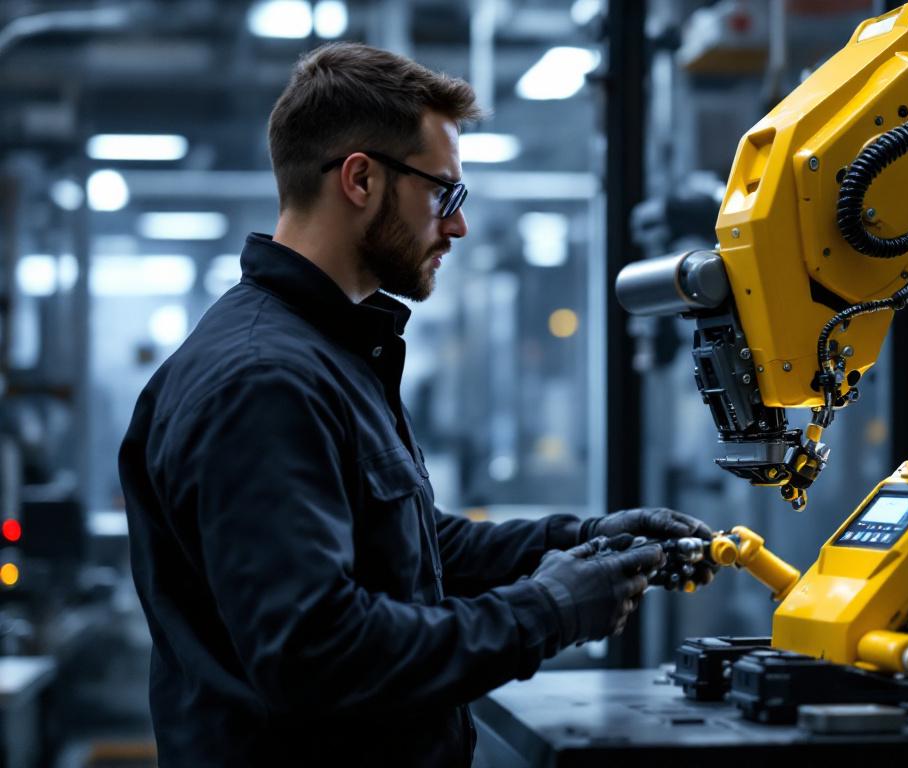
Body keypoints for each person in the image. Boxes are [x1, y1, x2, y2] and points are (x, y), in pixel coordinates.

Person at [118, 42, 713, 767]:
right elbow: (316, 652)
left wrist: (581, 539)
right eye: (445, 194)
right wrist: (546, 612)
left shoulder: (324, 353)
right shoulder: (264, 380)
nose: (457, 226)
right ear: (361, 179)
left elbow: (410, 550)